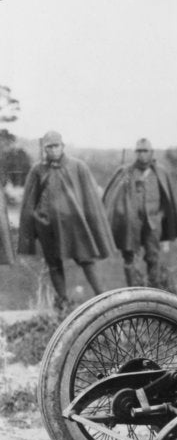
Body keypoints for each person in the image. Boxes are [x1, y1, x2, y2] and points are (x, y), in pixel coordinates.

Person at [17, 131, 114, 309]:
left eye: (56, 146)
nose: (53, 150)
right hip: (48, 227)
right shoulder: (38, 170)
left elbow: (89, 197)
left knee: (86, 259)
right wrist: (34, 226)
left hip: (75, 226)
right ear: (44, 148)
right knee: (54, 263)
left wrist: (92, 224)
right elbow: (30, 201)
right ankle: (63, 302)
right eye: (49, 147)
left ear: (63, 146)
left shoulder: (78, 166)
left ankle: (103, 298)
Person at [102, 138, 177, 288]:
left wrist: (160, 215)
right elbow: (116, 196)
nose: (142, 155)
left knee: (153, 256)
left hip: (153, 222)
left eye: (145, 151)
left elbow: (168, 198)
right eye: (139, 151)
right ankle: (134, 290)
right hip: (132, 222)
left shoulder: (160, 172)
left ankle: (153, 289)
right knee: (129, 257)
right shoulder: (126, 172)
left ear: (152, 152)